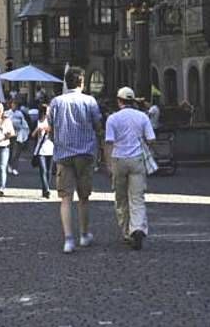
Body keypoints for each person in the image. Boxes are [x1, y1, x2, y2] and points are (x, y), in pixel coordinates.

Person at [47, 66, 103, 253]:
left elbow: (51, 128)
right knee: (84, 198)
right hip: (85, 153)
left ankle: (68, 239)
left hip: (63, 155)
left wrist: (57, 141)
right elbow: (97, 124)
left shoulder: (56, 102)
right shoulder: (90, 101)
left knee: (65, 198)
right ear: (81, 82)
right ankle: (84, 235)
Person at [104, 87, 156, 250]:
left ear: (119, 101)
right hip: (137, 159)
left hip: (119, 159)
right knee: (137, 197)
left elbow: (108, 143)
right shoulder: (142, 117)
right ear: (132, 101)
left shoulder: (112, 118)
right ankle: (138, 228)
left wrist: (108, 164)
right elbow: (151, 139)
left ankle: (127, 231)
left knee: (121, 199)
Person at [31, 104, 54, 198]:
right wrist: (38, 130)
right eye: (47, 111)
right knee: (43, 170)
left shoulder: (52, 122)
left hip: (51, 148)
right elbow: (32, 135)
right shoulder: (37, 122)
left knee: (49, 171)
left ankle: (46, 189)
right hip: (40, 150)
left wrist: (50, 130)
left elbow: (56, 134)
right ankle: (46, 189)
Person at [7, 99, 30, 175]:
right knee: (10, 151)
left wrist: (23, 130)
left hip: (18, 134)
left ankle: (14, 167)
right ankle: (9, 165)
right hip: (9, 135)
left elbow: (24, 124)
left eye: (16, 105)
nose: (14, 106)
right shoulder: (7, 113)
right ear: (11, 105)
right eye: (13, 104)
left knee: (16, 152)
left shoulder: (20, 114)